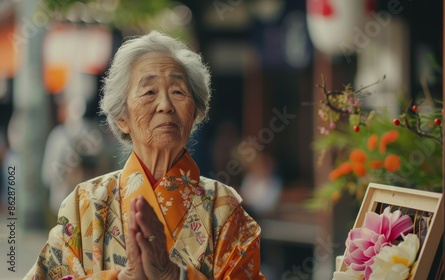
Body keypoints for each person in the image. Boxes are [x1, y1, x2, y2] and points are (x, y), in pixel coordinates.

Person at [25, 31, 265, 280]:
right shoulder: (85, 203)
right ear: (121, 119)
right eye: (149, 92)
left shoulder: (225, 209)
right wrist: (119, 278)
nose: (165, 105)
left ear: (194, 113)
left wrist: (176, 275)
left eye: (178, 92)